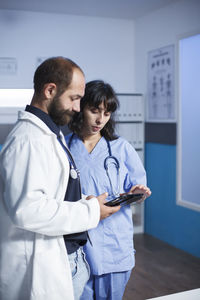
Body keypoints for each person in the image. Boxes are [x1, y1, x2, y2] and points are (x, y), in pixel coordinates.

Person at [0, 58, 120, 300]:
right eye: (74, 98)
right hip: (40, 264)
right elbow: (28, 209)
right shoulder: (29, 140)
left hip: (65, 256)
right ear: (50, 90)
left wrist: (83, 202)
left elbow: (51, 194)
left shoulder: (50, 133)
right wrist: (90, 211)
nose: (78, 107)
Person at [65, 80, 151, 300]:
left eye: (106, 112)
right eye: (94, 111)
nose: (100, 119)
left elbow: (137, 189)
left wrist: (138, 192)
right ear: (80, 109)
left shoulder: (121, 148)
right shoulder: (63, 148)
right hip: (78, 246)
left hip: (113, 246)